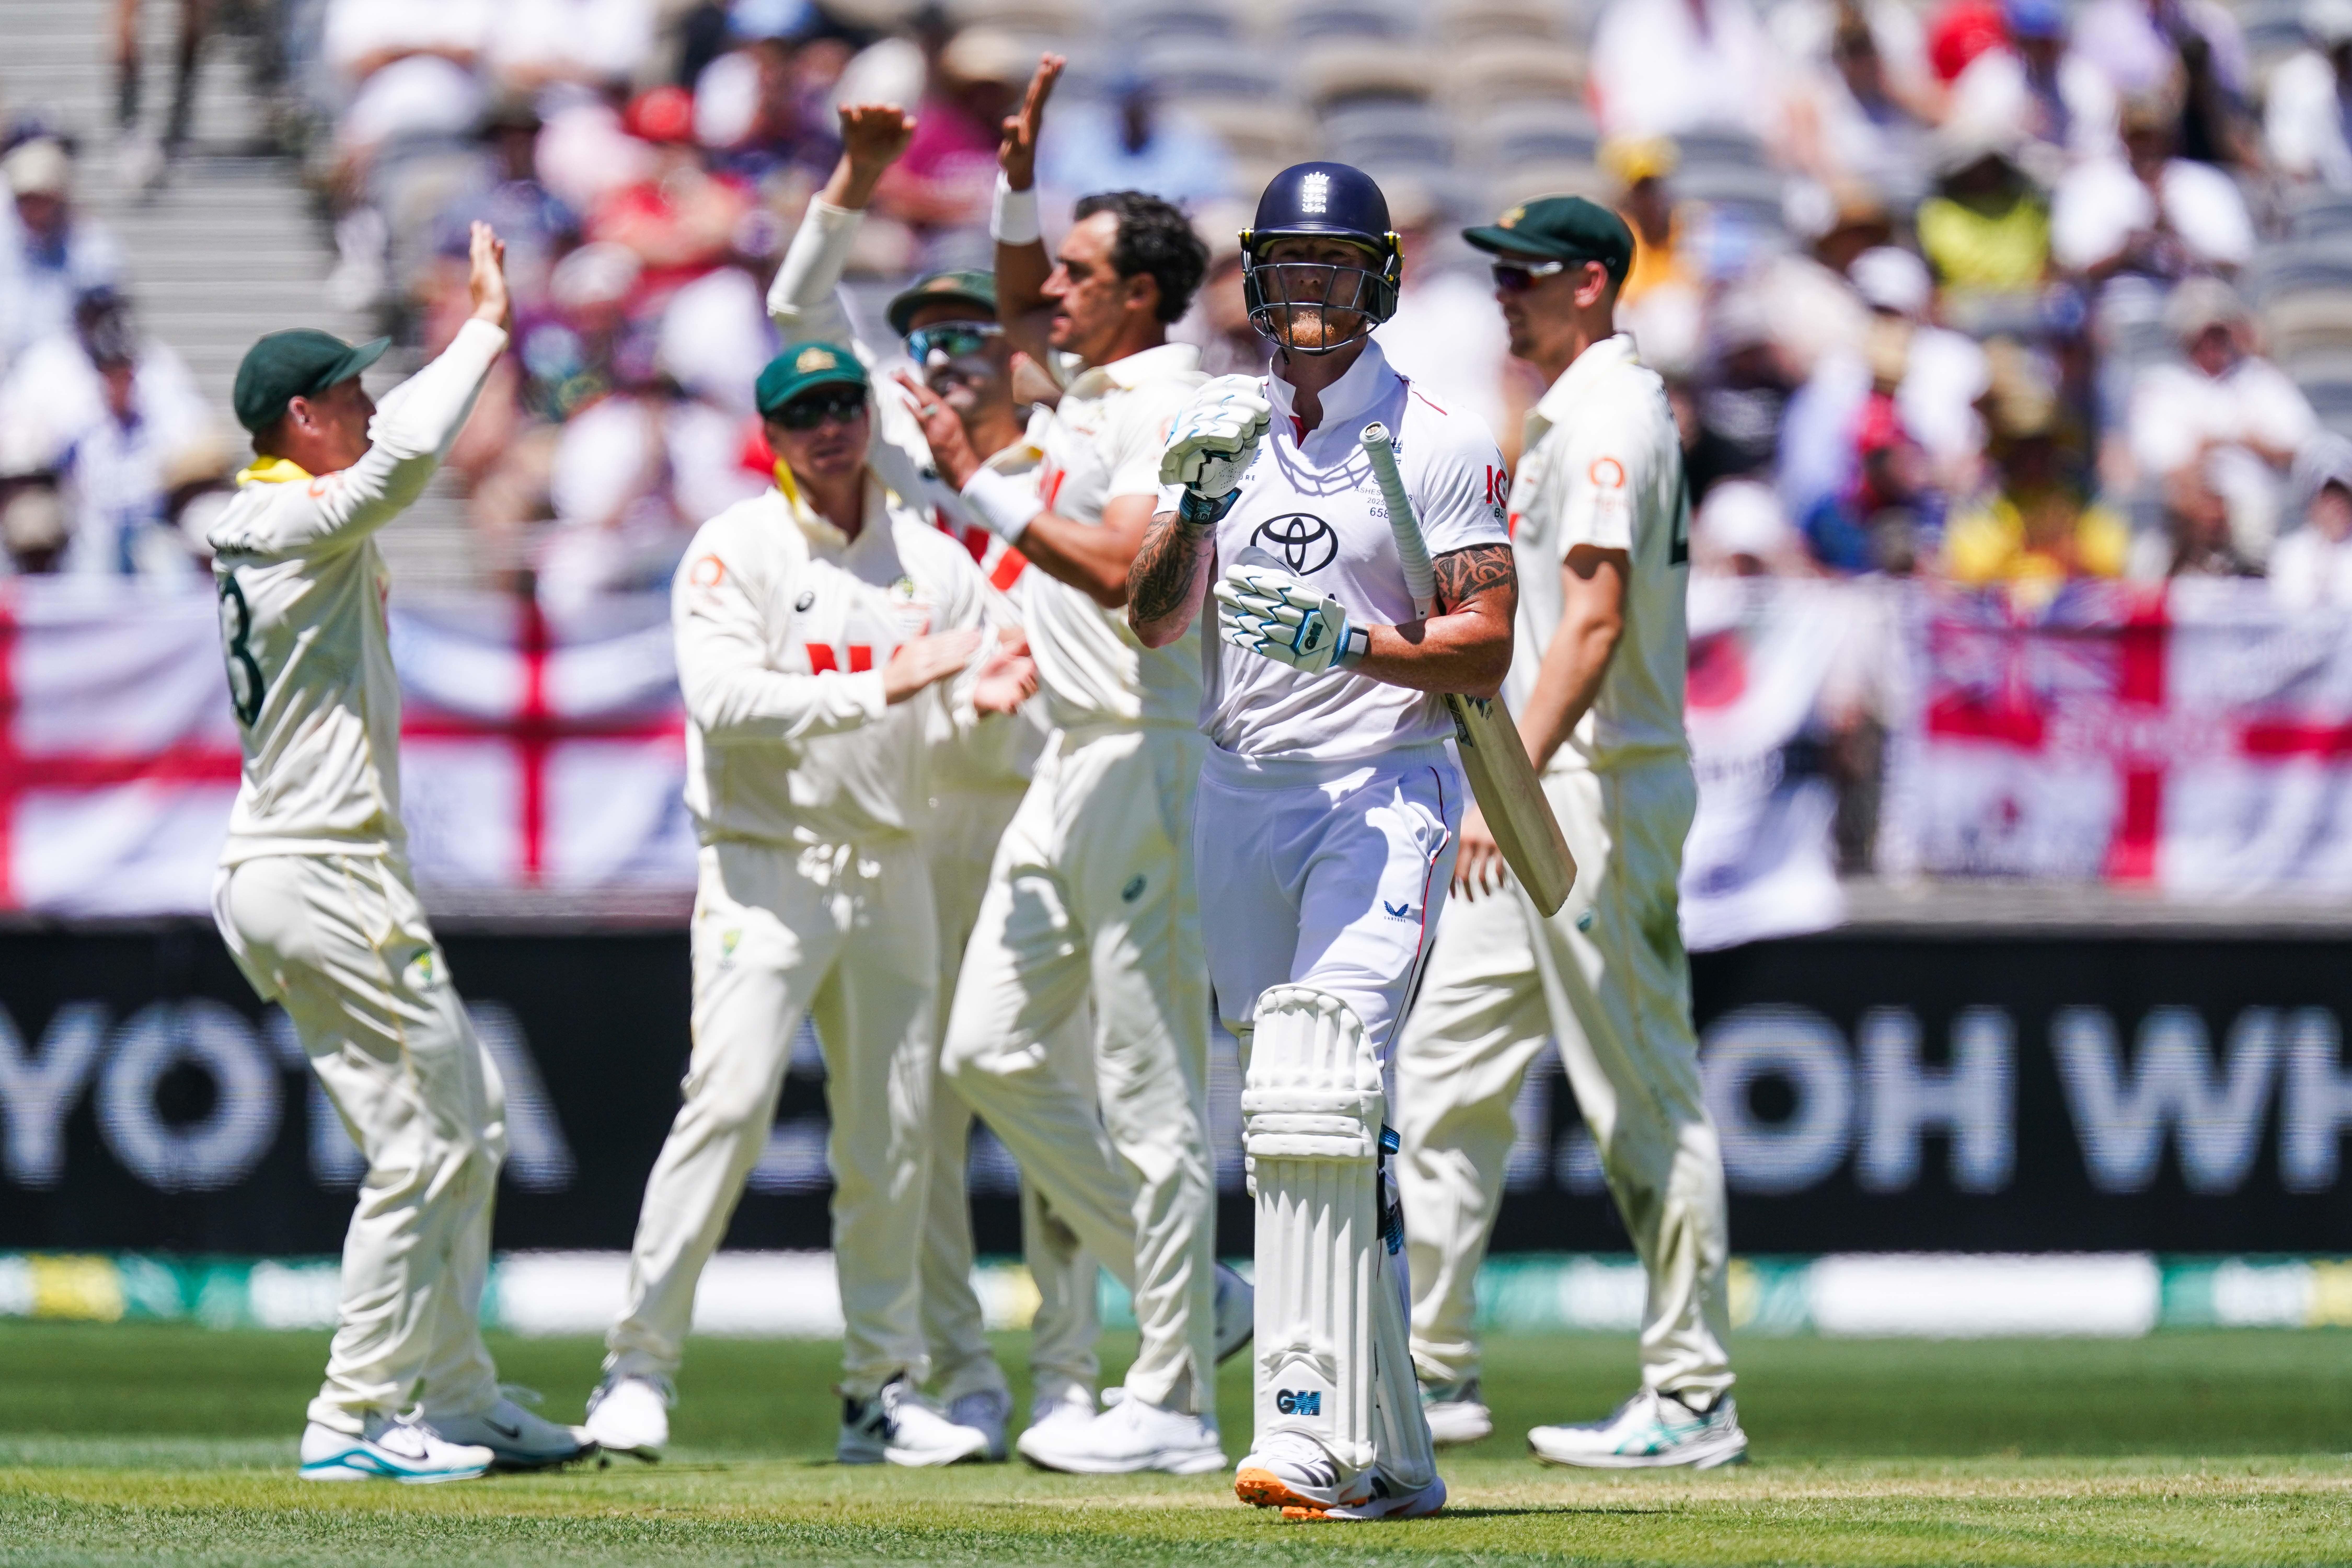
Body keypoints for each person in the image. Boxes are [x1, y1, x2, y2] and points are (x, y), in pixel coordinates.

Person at [1125, 160, 1518, 1520]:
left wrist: (1350, 641)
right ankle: (1401, 1457)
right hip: (1240, 790)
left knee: (1320, 1083)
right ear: (1253, 276)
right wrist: (1187, 503)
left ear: (1379, 279)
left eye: (1331, 269)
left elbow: (1487, 644)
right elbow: (1148, 619)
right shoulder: (1222, 428)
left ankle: (1301, 1427)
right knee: (1303, 1123)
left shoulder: (1434, 442)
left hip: (1384, 788)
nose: (1306, 296)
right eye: (1286, 268)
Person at [584, 342, 1034, 1467]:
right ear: (771, 433)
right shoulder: (734, 548)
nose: (826, 429)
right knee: (727, 1109)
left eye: (841, 406)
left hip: (891, 865)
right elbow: (723, 699)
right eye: (801, 414)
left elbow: (988, 701)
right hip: (764, 865)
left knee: (893, 1139)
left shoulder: (931, 561)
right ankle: (636, 1371)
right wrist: (887, 683)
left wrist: (981, 704)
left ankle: (878, 1391)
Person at [905, 55, 1248, 1475]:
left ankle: (1170, 1398)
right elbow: (1002, 300)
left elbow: (1124, 571)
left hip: (1150, 763)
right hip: (1069, 762)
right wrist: (1017, 176)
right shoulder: (1083, 393)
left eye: (1079, 271)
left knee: (1148, 1084)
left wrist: (978, 477)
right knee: (985, 1049)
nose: (1049, 291)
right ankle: (1205, 1299)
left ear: (1141, 296)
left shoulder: (1178, 407)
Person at [207, 224, 592, 1482]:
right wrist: (485, 324)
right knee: (428, 1145)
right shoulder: (277, 521)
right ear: (305, 417)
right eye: (355, 394)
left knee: (465, 1122)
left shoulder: (293, 524)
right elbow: (411, 459)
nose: (374, 408)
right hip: (317, 870)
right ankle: (352, 1417)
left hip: (320, 869)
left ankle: (456, 1393)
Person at [760, 99, 1099, 1459]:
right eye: (924, 344)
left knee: (1051, 1097)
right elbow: (796, 299)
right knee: (929, 1112)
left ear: (1023, 358)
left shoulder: (1073, 461)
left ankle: (1074, 1373)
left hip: (1053, 803)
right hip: (931, 815)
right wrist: (855, 180)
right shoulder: (907, 466)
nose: (943, 361)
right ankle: (963, 1374)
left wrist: (1018, 190)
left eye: (970, 340)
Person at [1391, 195, 1748, 1470]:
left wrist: (1518, 778)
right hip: (1537, 786)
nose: (1503, 294)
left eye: (1524, 276)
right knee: (1441, 1083)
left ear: (1591, 283)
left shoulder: (1610, 415)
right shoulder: (1569, 410)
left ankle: (1695, 1394)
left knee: (1640, 1089)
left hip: (1588, 785)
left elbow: (1592, 628)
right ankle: (1429, 1374)